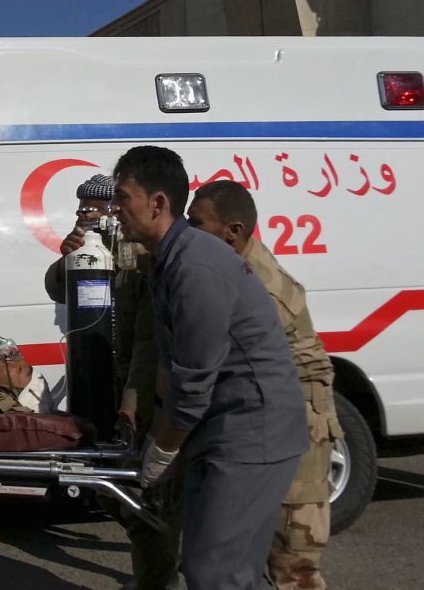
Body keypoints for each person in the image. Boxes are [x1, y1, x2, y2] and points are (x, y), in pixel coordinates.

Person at [110, 145, 309, 590]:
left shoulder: (195, 265)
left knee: (215, 574)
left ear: (157, 203)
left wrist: (161, 451)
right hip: (227, 427)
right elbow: (169, 365)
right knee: (231, 573)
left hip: (250, 430)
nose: (115, 209)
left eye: (123, 197)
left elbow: (192, 381)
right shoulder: (171, 260)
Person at [188, 180, 341, 590]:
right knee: (247, 553)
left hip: (299, 412)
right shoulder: (226, 264)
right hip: (266, 406)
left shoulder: (259, 284)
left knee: (293, 557)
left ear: (232, 232)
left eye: (196, 222)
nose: (187, 231)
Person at [44, 174, 179, 590]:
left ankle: (168, 569)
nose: (86, 214)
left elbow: (148, 332)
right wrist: (66, 256)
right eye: (81, 207)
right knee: (114, 488)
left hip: (139, 382)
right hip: (104, 378)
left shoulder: (140, 249)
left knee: (151, 495)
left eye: (93, 207)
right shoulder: (83, 246)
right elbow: (57, 289)